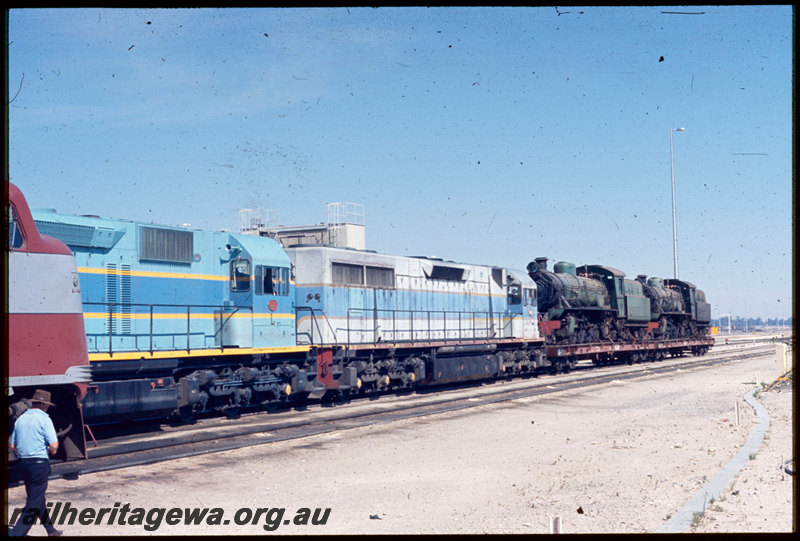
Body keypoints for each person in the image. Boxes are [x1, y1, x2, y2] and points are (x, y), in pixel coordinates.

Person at [8, 389, 63, 537]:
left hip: (24, 465)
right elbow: (54, 446)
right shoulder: (45, 419)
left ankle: (51, 530)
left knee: (38, 498)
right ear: (44, 405)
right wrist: (50, 450)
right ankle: (18, 533)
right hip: (39, 465)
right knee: (33, 502)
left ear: (34, 404)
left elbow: (12, 446)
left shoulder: (20, 419)